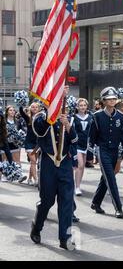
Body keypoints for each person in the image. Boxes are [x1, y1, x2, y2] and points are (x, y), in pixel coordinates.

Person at [30, 87, 79, 250]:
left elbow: (75, 140)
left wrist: (68, 125)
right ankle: (37, 227)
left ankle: (65, 238)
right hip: (48, 164)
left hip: (64, 164)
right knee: (47, 201)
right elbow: (39, 130)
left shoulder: (68, 118)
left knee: (66, 202)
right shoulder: (41, 117)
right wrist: (51, 117)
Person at [90, 87, 123, 219]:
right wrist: (92, 152)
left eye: (114, 99)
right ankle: (118, 207)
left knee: (106, 178)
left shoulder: (122, 117)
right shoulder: (97, 116)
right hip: (102, 150)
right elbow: (93, 136)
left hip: (115, 151)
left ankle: (96, 202)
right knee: (111, 179)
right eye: (109, 99)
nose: (112, 101)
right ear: (104, 101)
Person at [73, 98, 93, 196]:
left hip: (86, 145)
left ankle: (78, 185)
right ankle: (76, 187)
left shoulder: (90, 117)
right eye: (81, 105)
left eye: (84, 105)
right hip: (77, 145)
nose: (83, 107)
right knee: (79, 165)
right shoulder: (74, 117)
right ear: (77, 107)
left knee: (82, 167)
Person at [19, 102, 41, 186]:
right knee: (33, 161)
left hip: (37, 143)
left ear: (39, 109)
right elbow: (21, 112)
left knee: (33, 162)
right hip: (29, 143)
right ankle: (36, 180)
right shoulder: (28, 118)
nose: (34, 108)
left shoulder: (41, 118)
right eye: (33, 107)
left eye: (36, 107)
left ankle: (29, 179)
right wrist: (21, 103)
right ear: (30, 108)